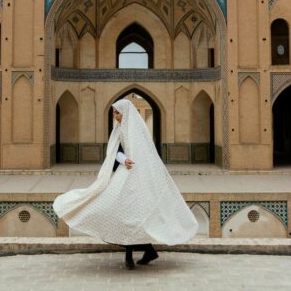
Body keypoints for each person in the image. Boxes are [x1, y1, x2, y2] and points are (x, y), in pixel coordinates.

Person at [53, 98, 197, 270]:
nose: (115, 115)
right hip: (125, 174)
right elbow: (115, 151)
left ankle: (135, 255)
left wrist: (137, 167)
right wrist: (124, 159)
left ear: (125, 113)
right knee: (121, 214)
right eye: (114, 112)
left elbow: (146, 152)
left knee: (132, 217)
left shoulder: (137, 129)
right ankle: (146, 251)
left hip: (139, 177)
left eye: (117, 112)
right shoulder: (118, 130)